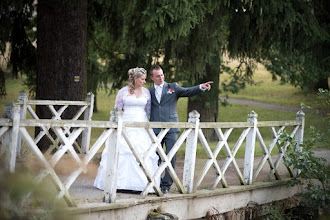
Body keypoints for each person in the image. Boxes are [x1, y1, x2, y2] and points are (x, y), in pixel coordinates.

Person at [148, 65, 213, 194]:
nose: (161, 78)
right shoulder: (149, 91)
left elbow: (187, 91)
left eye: (162, 75)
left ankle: (166, 186)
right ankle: (156, 182)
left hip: (172, 128)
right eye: (157, 76)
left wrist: (201, 87)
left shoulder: (173, 87)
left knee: (170, 156)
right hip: (155, 128)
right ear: (152, 78)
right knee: (155, 157)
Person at [94, 67, 159, 192]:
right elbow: (117, 109)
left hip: (141, 125)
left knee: (142, 152)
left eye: (145, 79)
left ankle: (142, 184)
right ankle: (117, 183)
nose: (144, 82)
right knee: (122, 151)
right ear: (135, 78)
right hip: (126, 124)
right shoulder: (123, 92)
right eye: (142, 79)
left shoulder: (146, 93)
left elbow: (149, 111)